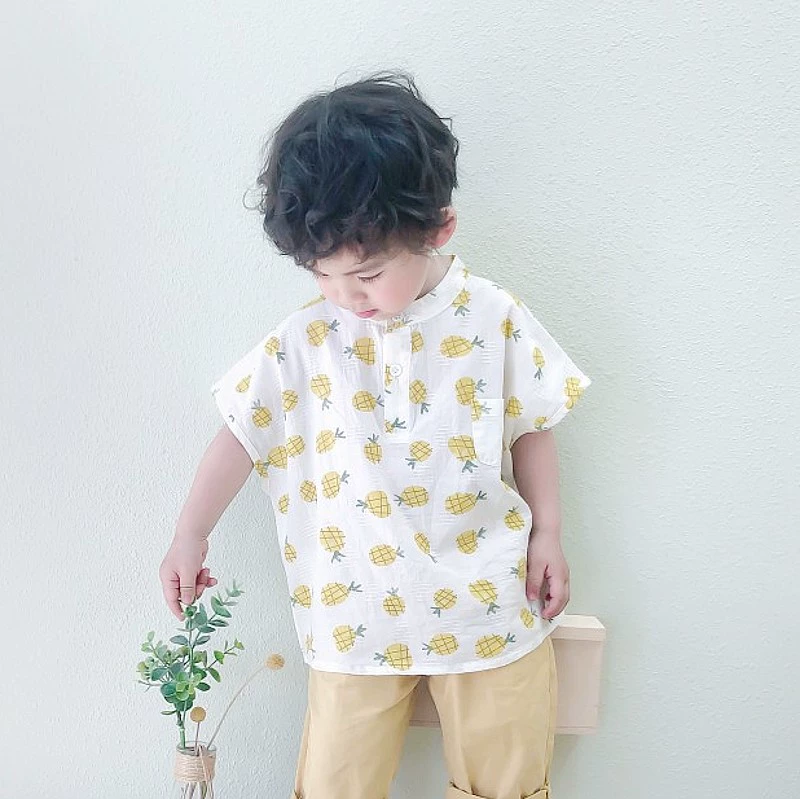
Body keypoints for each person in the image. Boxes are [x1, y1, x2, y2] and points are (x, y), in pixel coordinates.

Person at [159, 70, 591, 799]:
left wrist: (548, 532)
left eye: (365, 274)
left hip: (488, 602)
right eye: (322, 275)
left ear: (439, 229)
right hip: (352, 614)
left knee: (507, 781)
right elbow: (240, 432)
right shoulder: (307, 339)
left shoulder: (493, 317)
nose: (344, 296)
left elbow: (533, 426)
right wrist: (188, 534)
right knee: (334, 784)